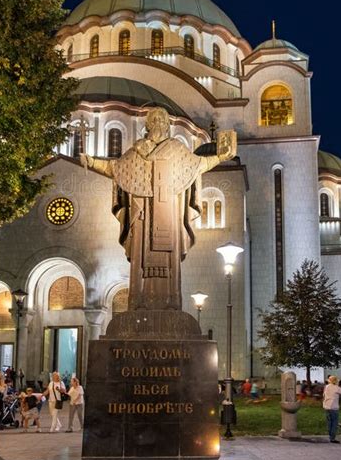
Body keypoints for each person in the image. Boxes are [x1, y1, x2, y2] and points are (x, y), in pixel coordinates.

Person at [81, 107, 236, 310]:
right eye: (154, 120)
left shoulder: (177, 149)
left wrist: (220, 157)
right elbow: (115, 168)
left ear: (168, 126)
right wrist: (92, 161)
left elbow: (199, 164)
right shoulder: (136, 150)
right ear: (147, 125)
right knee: (140, 255)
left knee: (169, 256)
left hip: (169, 213)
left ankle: (171, 303)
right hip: (142, 214)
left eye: (162, 120)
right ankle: (137, 303)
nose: (158, 123)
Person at [323, 375, 341, 443]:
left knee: (329, 422)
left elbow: (324, 395)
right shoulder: (336, 387)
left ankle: (330, 435)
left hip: (326, 406)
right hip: (334, 407)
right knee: (334, 423)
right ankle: (332, 438)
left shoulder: (327, 387)